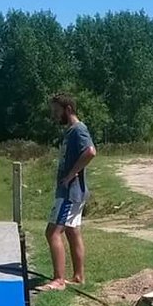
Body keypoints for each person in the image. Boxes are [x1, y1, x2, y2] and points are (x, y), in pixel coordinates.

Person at [39, 94, 96, 292]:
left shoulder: (78, 129)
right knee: (72, 231)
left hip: (70, 193)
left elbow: (90, 151)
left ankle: (59, 280)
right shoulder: (71, 131)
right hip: (73, 192)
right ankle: (79, 277)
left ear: (68, 109)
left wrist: (71, 174)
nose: (55, 115)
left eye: (57, 111)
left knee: (52, 232)